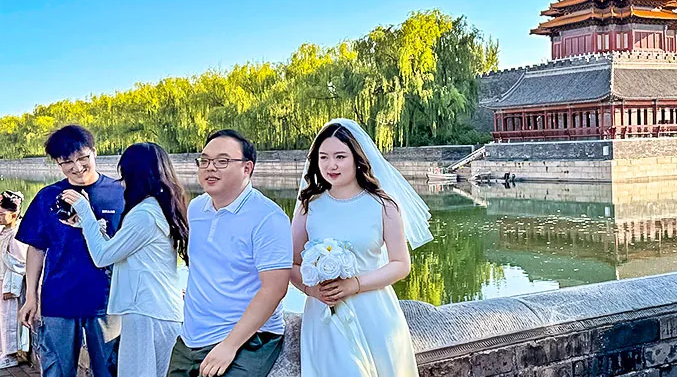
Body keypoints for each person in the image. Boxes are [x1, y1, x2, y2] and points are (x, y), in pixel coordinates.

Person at [290, 119, 433, 377]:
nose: (331, 165)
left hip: (374, 310)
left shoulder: (383, 205)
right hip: (325, 315)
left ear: (357, 158)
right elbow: (291, 263)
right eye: (323, 157)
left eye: (340, 156)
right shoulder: (308, 205)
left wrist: (353, 284)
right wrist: (311, 289)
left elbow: (401, 264)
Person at [167, 130, 292, 377]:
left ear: (247, 168)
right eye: (204, 161)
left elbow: (275, 289)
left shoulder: (268, 218)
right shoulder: (197, 208)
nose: (210, 168)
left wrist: (230, 345)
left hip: (248, 339)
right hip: (191, 336)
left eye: (222, 161)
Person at [61, 142, 189, 377]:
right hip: (156, 310)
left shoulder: (144, 214)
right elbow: (119, 251)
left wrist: (84, 208)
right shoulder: (158, 207)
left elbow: (102, 257)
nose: (122, 183)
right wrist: (88, 225)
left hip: (147, 313)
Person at [15, 125, 124, 377]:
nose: (77, 166)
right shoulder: (47, 197)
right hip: (58, 301)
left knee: (109, 370)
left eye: (83, 158)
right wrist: (31, 296)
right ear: (58, 164)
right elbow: (36, 249)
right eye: (67, 162)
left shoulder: (119, 193)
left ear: (94, 153)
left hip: (107, 302)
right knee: (56, 371)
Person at [0, 190, 27, 369]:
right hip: (1, 279)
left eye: (2, 214)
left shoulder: (16, 236)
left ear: (14, 215)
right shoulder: (4, 232)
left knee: (9, 318)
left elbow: (21, 265)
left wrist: (12, 289)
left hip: (10, 285)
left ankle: (11, 354)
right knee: (2, 318)